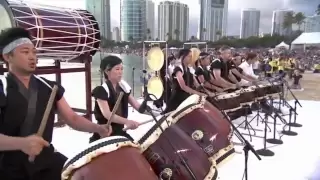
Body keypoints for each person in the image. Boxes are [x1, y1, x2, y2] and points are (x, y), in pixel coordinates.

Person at [0, 27, 112, 180]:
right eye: (25, 52)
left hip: (45, 161)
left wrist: (97, 128)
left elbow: (72, 118)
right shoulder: (2, 88)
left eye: (34, 52)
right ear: (7, 56)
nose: (33, 57)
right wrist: (22, 143)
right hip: (9, 168)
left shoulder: (49, 87)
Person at [91, 56, 141, 142]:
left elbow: (138, 107)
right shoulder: (101, 90)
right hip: (104, 133)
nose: (120, 72)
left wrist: (160, 113)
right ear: (107, 71)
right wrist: (127, 122)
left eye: (122, 69)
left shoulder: (123, 88)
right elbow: (107, 114)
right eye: (117, 69)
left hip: (120, 131)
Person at [163, 49, 207, 113]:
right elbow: (183, 86)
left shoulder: (189, 69)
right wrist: (199, 93)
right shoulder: (178, 69)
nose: (190, 58)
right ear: (182, 57)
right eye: (189, 56)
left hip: (186, 99)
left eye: (191, 56)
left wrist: (204, 90)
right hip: (177, 100)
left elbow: (197, 84)